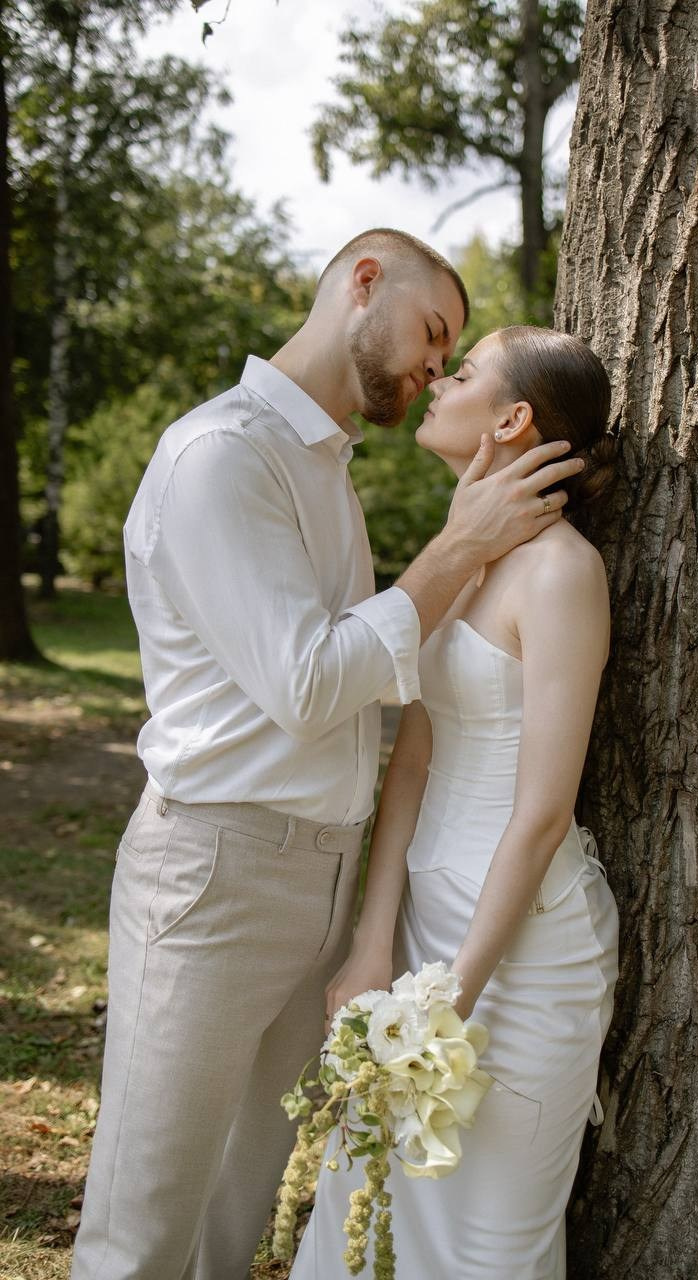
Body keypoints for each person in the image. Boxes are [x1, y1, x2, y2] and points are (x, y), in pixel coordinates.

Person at [70, 233, 584, 1280]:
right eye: (435, 334)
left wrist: (366, 923)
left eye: (452, 359)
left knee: (237, 1202)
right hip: (215, 872)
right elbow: (307, 682)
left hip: (323, 878)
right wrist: (458, 547)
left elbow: (385, 692)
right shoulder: (225, 456)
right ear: (362, 285)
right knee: (145, 1220)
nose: (435, 368)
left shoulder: (322, 467)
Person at [292, 325, 620, 1279]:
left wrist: (453, 1001)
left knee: (483, 1243)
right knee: (373, 1203)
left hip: (523, 956)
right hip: (421, 936)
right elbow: (412, 763)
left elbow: (542, 813)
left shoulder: (562, 574)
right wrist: (372, 949)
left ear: (513, 418)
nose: (436, 381)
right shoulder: (463, 556)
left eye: (464, 372)